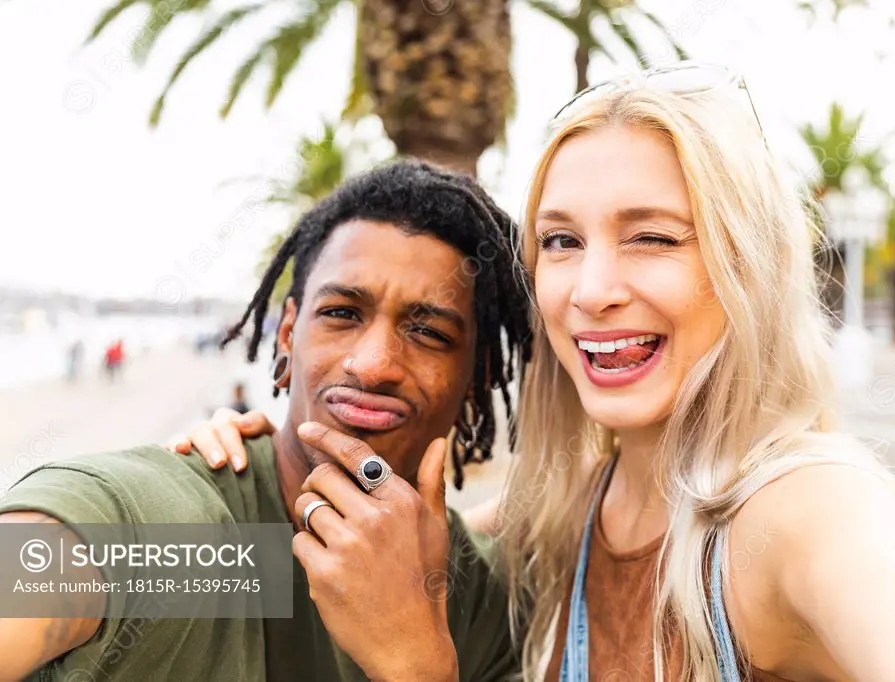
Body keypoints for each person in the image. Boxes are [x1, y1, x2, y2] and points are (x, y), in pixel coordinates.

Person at [185, 63, 895, 681]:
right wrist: (238, 476)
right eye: (561, 241)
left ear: (750, 267)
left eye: (652, 237)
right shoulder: (560, 510)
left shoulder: (796, 508)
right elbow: (316, 565)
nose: (590, 291)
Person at [0, 159, 532, 681]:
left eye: (429, 333)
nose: (372, 365)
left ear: (479, 377)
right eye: (342, 313)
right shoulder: (198, 541)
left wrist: (417, 667)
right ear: (286, 337)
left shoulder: (479, 601)